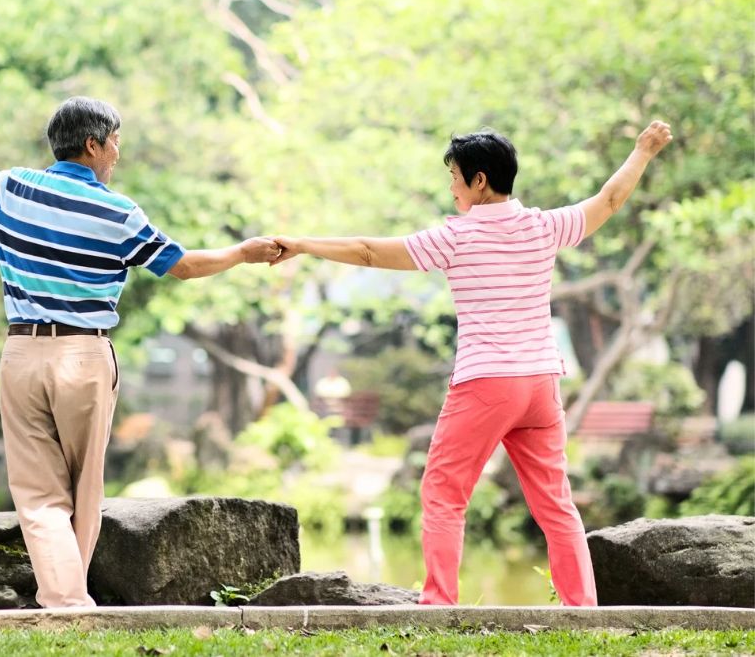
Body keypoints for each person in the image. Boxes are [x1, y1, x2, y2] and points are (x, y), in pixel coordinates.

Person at [271, 121, 673, 606]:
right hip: (541, 384)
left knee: (443, 492)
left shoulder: (454, 237)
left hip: (486, 382)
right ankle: (582, 609)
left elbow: (368, 251)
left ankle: (439, 604)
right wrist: (642, 152)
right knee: (555, 504)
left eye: (455, 177)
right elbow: (609, 200)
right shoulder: (544, 226)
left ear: (479, 180)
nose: (451, 188)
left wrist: (303, 244)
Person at [0, 97, 280, 608]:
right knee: (83, 489)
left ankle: (62, 601)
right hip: (84, 357)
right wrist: (243, 253)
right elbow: (181, 265)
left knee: (39, 495)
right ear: (92, 145)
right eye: (114, 142)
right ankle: (70, 604)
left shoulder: (8, 187)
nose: (117, 153)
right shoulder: (118, 212)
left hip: (22, 354)